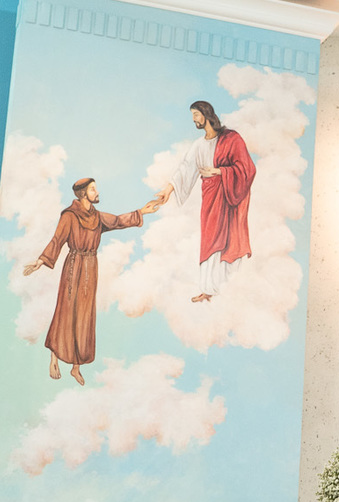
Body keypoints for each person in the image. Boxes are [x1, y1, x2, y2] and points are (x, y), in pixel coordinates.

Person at [24, 177, 162, 382]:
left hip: (90, 268)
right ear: (83, 194)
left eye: (95, 189)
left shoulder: (97, 217)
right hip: (73, 268)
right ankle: (54, 357)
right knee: (66, 310)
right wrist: (40, 261)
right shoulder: (69, 216)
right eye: (93, 189)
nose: (97, 192)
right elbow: (57, 240)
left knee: (85, 316)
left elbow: (117, 221)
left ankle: (75, 367)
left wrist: (141, 212)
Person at [158, 101, 256, 303]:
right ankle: (208, 289)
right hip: (210, 198)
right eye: (192, 115)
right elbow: (185, 168)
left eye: (195, 114)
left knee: (230, 239)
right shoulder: (199, 145)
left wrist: (220, 171)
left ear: (205, 114)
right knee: (210, 239)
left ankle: (229, 288)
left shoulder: (231, 138)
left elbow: (247, 168)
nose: (193, 119)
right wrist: (168, 190)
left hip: (230, 199)